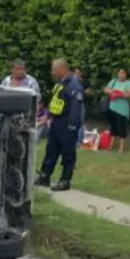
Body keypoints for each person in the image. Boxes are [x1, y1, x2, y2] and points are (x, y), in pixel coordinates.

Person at [35, 58, 83, 191]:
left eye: (54, 70)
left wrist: (72, 126)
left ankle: (65, 180)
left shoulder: (74, 84)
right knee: (51, 150)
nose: (52, 73)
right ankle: (45, 176)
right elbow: (56, 101)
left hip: (67, 123)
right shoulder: (59, 83)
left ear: (61, 69)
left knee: (68, 153)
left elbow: (75, 107)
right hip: (56, 122)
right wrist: (48, 115)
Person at [103, 68, 130, 153]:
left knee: (122, 127)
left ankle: (121, 147)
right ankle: (111, 145)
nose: (121, 75)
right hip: (112, 107)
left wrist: (120, 95)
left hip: (122, 109)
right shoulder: (113, 81)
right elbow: (106, 89)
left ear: (126, 74)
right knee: (113, 126)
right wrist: (111, 92)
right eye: (120, 73)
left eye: (123, 73)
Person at [73, 67, 93, 143]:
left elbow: (90, 92)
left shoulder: (85, 82)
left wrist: (82, 90)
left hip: (81, 104)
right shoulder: (71, 81)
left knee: (80, 123)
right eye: (75, 72)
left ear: (81, 73)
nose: (77, 74)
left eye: (78, 72)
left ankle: (79, 141)